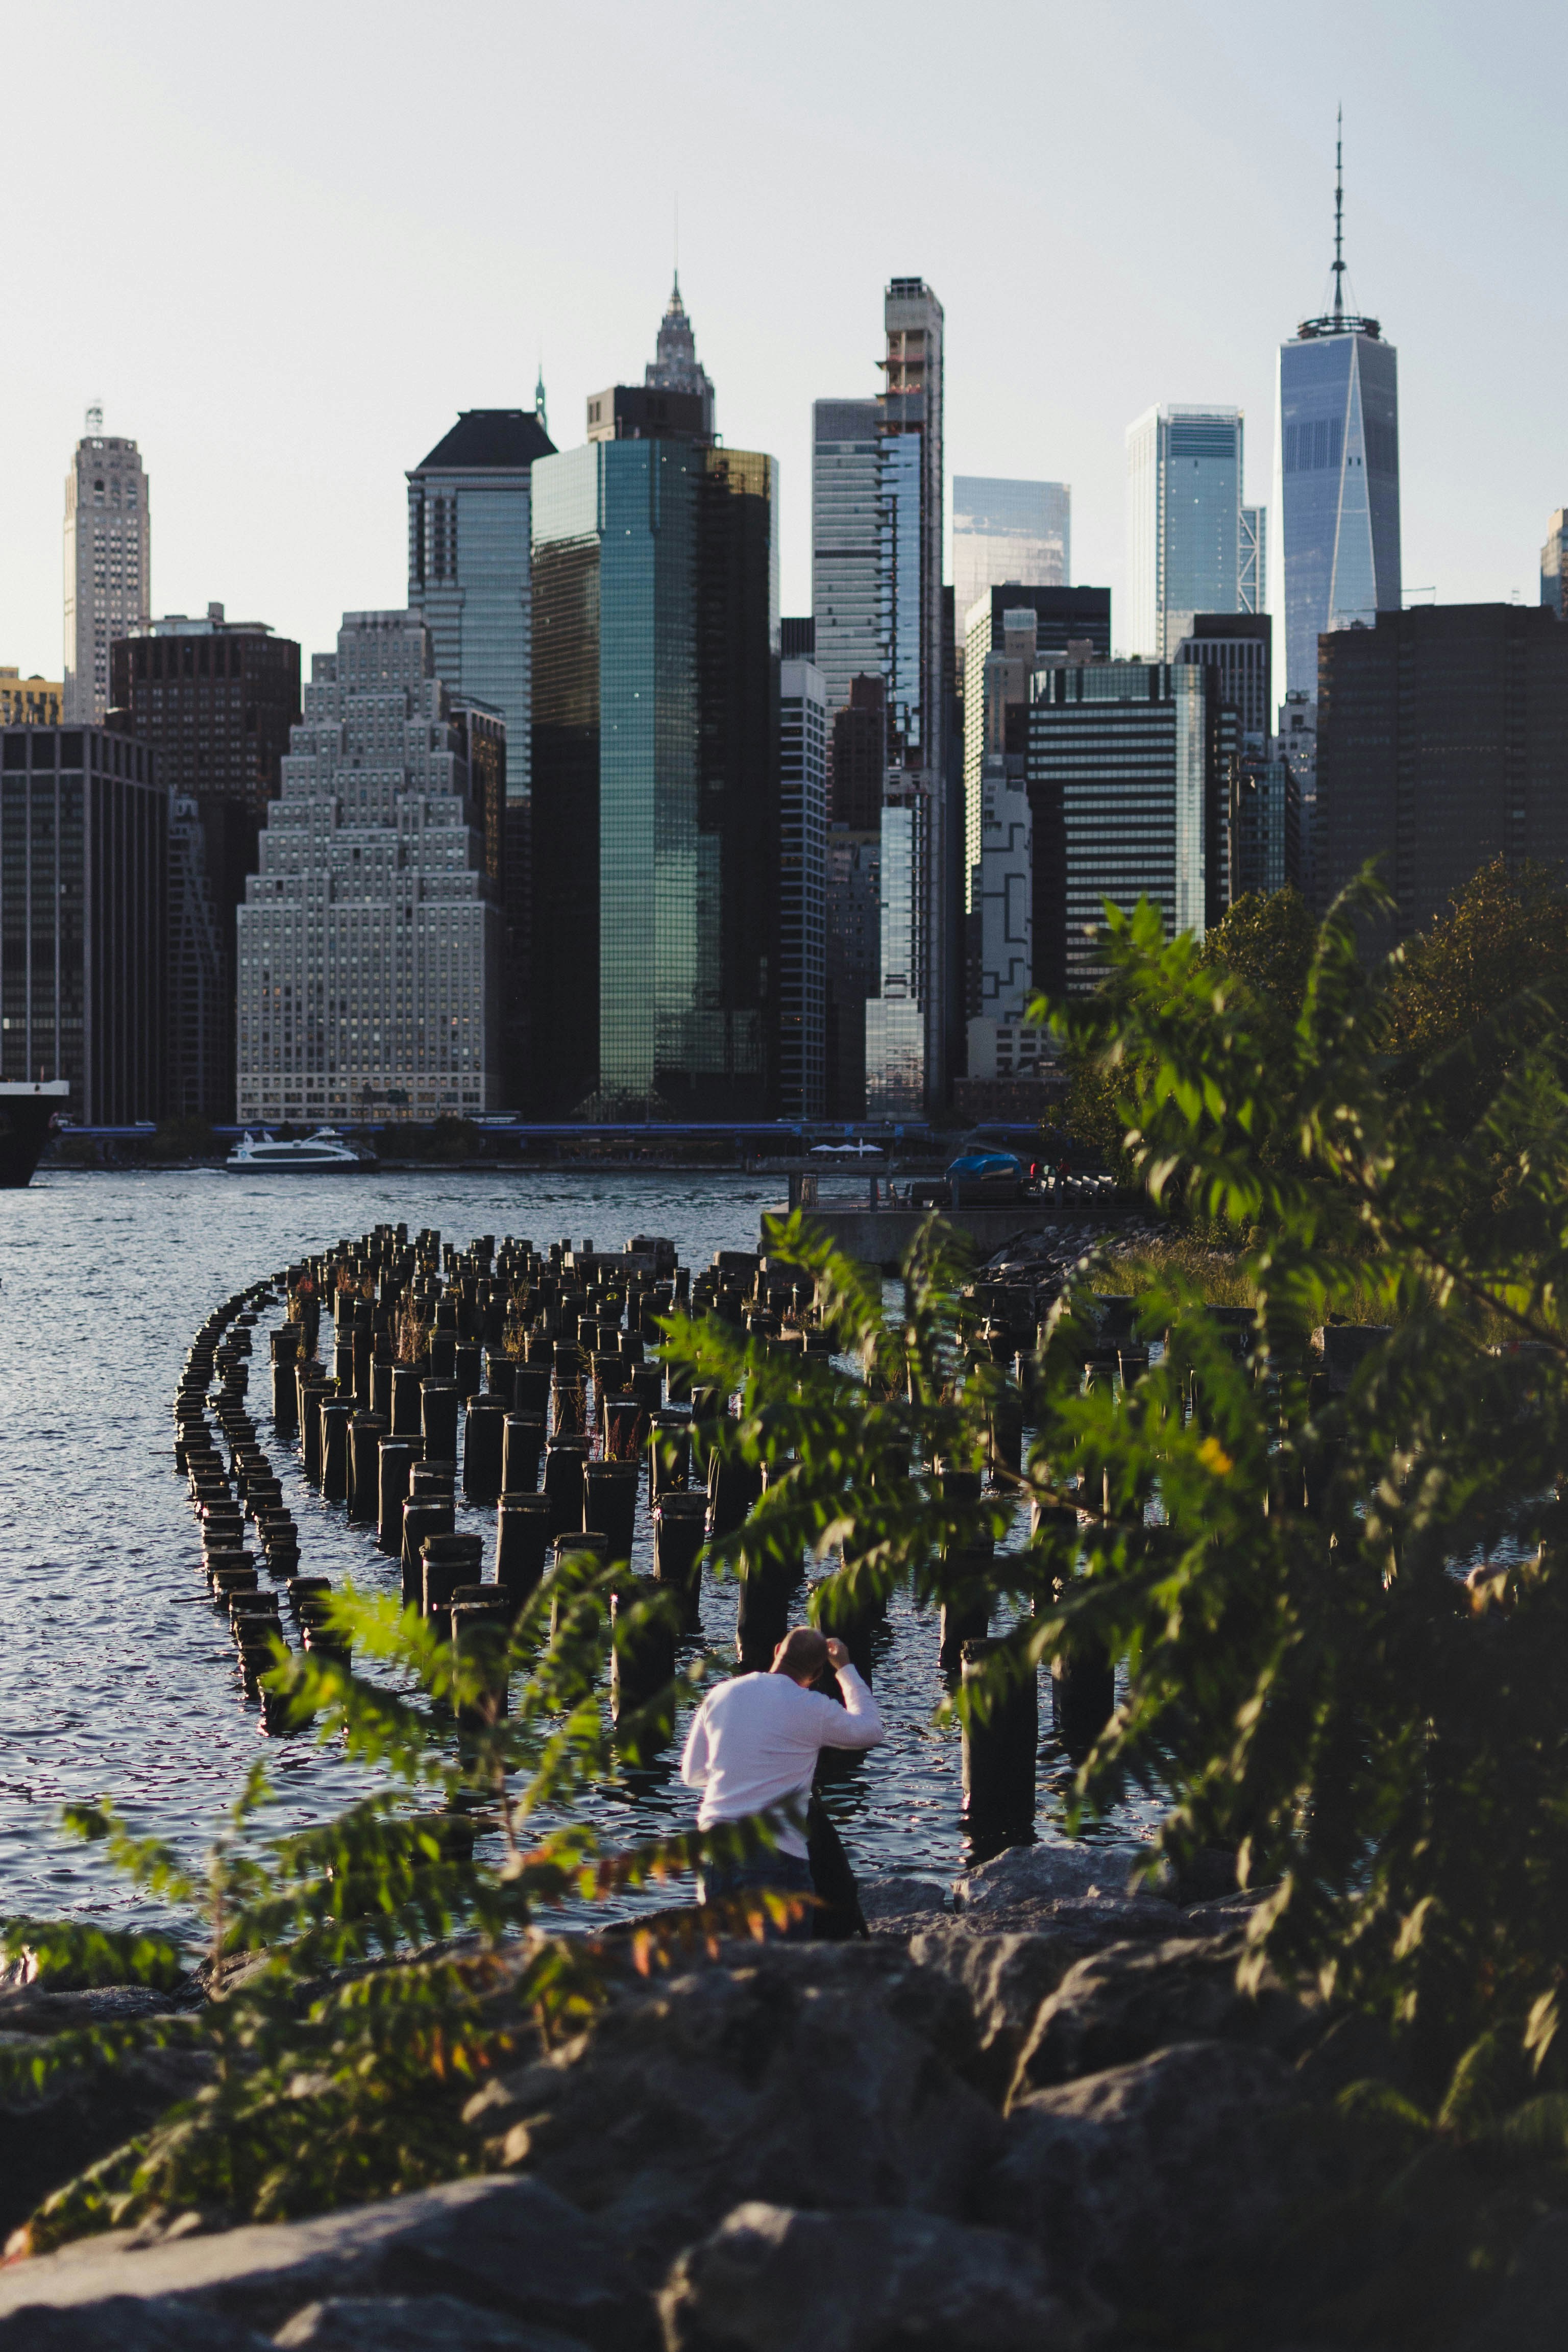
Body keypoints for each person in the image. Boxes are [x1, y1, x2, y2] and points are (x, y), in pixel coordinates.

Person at [680, 1626, 884, 1934]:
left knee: (724, 1966)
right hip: (774, 1854)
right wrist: (844, 1669)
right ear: (816, 1674)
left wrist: (740, 1770)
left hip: (715, 1846)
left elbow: (692, 1774)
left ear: (777, 1651)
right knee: (781, 1968)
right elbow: (870, 1729)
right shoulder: (812, 1708)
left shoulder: (720, 1694)